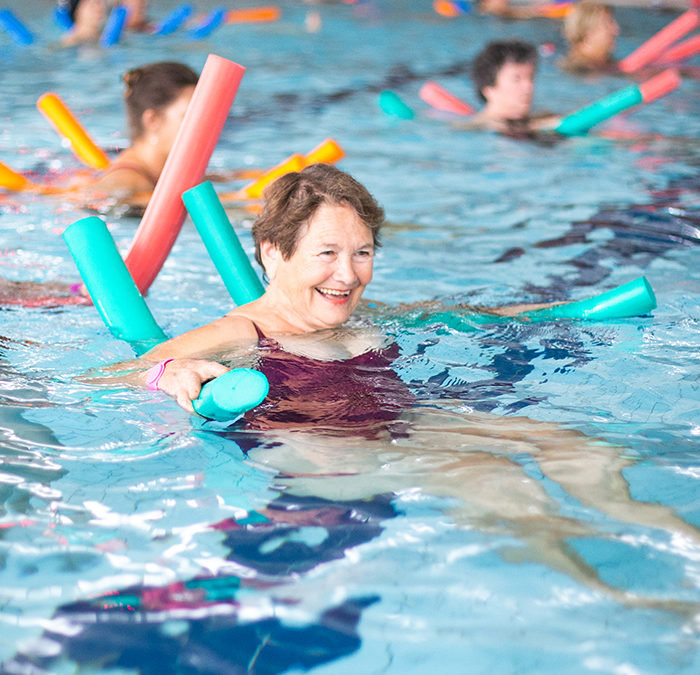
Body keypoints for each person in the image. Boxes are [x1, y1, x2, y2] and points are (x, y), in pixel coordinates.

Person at [84, 61, 198, 202]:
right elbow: (94, 200)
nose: (204, 127)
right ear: (153, 121)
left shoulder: (162, 173)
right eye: (189, 117)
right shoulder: (126, 182)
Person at [458, 39, 560, 135]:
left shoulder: (542, 117)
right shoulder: (473, 130)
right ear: (489, 89)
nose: (529, 87)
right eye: (516, 79)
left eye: (531, 78)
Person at [560, 0, 619, 74]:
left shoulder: (602, 63)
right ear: (587, 34)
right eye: (608, 24)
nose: (616, 30)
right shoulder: (585, 71)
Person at [60, 0, 150, 46]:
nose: (98, 8)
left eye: (99, 3)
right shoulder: (71, 42)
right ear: (77, 11)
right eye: (92, 4)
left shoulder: (104, 36)